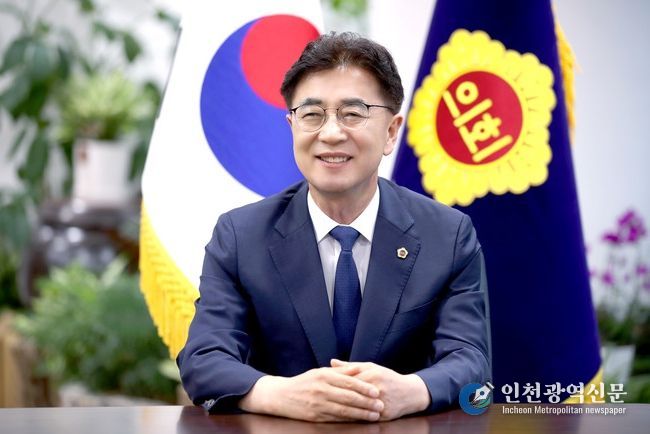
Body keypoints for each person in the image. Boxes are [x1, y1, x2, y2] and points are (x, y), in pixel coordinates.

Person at [177, 32, 490, 422]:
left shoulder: (447, 235)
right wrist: (283, 394)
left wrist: (409, 391)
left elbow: (470, 360)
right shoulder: (241, 236)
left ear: (391, 131)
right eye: (312, 115)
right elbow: (204, 359)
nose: (330, 133)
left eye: (352, 113)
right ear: (292, 125)